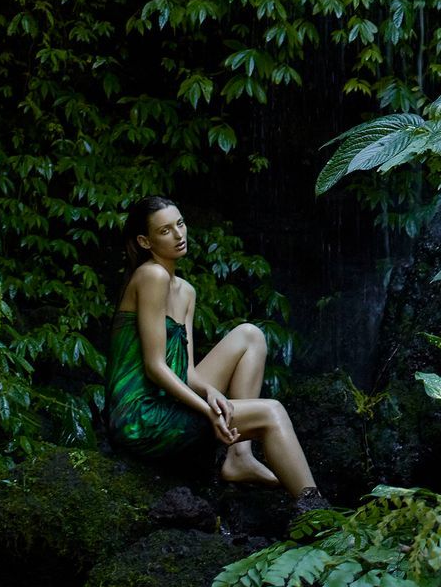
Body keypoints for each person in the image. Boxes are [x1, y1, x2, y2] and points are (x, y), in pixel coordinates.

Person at [104, 194, 324, 512]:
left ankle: (240, 456)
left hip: (169, 400)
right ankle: (318, 515)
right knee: (271, 411)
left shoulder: (186, 291)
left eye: (180, 224)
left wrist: (209, 392)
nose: (179, 235)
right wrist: (209, 411)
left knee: (250, 335)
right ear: (145, 241)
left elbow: (187, 372)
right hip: (141, 417)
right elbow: (155, 366)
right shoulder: (151, 276)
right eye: (165, 230)